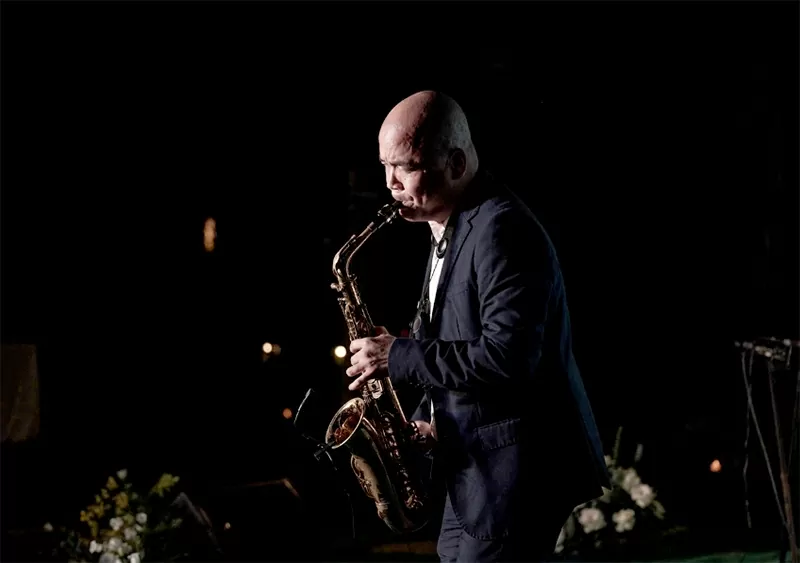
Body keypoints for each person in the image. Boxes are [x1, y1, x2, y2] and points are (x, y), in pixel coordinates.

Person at [346, 90, 609, 562]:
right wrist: (427, 418)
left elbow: (508, 358)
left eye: (405, 167)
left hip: (515, 471)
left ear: (456, 163)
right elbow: (455, 341)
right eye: (385, 166)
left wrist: (397, 355)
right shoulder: (449, 226)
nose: (390, 183)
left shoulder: (502, 230)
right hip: (475, 467)